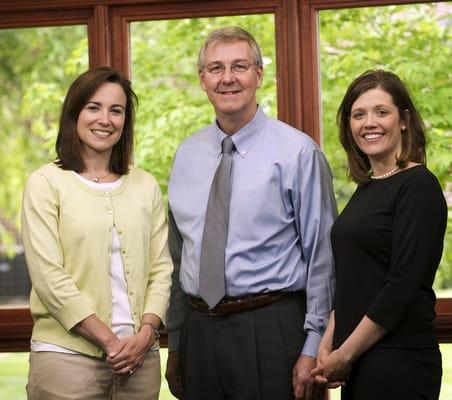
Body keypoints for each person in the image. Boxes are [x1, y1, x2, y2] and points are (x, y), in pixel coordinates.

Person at [165, 26, 337, 400]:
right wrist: (177, 343)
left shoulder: (298, 153)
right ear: (202, 80)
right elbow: (179, 259)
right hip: (198, 331)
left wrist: (312, 348)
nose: (227, 78)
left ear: (258, 75)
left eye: (239, 66)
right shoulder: (186, 156)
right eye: (216, 68)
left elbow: (323, 260)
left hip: (272, 329)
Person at [21, 66, 173, 400]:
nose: (105, 119)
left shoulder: (144, 184)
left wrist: (146, 333)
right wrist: (111, 343)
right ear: (74, 113)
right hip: (66, 362)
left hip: (140, 362)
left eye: (116, 110)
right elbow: (49, 277)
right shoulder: (46, 183)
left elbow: (161, 269)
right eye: (93, 107)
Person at [311, 70, 447, 399]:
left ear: (403, 120)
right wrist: (329, 341)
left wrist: (344, 355)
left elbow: (401, 286)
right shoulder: (368, 188)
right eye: (358, 114)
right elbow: (355, 278)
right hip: (361, 360)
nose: (369, 122)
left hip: (399, 362)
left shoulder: (418, 186)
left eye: (381, 112)